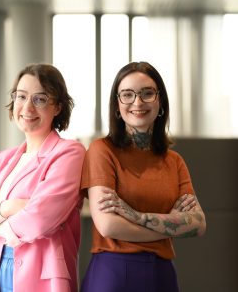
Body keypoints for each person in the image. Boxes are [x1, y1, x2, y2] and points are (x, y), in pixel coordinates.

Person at [0, 63, 86, 292]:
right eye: (21, 96)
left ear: (57, 106)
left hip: (42, 277)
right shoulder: (2, 161)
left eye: (40, 99)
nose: (27, 107)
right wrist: (9, 208)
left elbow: (39, 220)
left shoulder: (69, 153)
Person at [80, 61, 206, 292]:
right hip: (115, 272)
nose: (137, 102)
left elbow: (197, 224)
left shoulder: (174, 161)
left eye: (147, 93)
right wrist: (170, 224)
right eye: (127, 95)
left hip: (163, 273)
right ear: (117, 106)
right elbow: (108, 225)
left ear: (161, 102)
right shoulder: (102, 150)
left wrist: (135, 216)